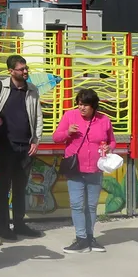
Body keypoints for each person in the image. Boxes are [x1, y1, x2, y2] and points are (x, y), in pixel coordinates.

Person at [0, 55, 43, 240]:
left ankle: (19, 224)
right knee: (3, 187)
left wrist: (36, 139)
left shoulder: (32, 90)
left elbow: (38, 116)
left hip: (26, 146)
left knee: (20, 187)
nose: (25, 72)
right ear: (11, 71)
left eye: (26, 68)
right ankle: (3, 228)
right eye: (21, 69)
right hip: (5, 146)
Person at [53, 88, 116, 253]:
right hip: (75, 169)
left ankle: (90, 237)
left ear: (93, 106)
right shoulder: (69, 116)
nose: (82, 108)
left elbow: (112, 141)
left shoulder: (104, 120)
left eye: (85, 105)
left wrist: (109, 147)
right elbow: (56, 137)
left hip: (95, 169)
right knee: (76, 205)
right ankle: (80, 239)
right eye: (80, 104)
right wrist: (68, 132)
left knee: (91, 205)